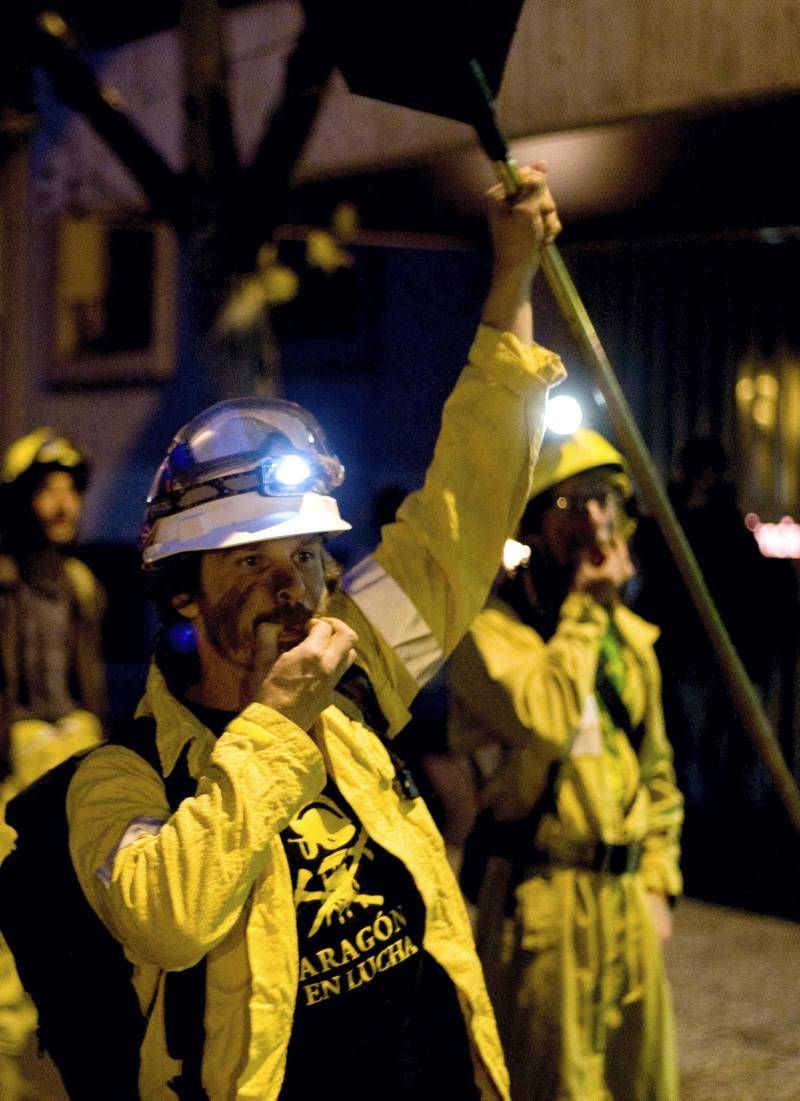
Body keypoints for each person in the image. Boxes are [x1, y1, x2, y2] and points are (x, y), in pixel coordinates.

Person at [65, 167, 565, 1099]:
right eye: (249, 561)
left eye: (302, 554)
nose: (288, 583)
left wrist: (511, 276)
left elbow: (464, 509)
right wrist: (278, 723)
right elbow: (168, 915)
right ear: (183, 593)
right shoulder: (121, 779)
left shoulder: (359, 673)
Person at [448, 427, 684, 1101]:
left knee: (644, 1084)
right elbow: (547, 717)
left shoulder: (628, 641)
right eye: (571, 503)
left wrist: (658, 884)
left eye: (603, 500)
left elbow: (657, 773)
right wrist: (583, 608)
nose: (592, 520)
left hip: (627, 899)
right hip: (541, 904)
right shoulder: (491, 633)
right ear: (534, 520)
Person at [0, 428, 108, 1098]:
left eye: (70, 488)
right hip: (14, 768)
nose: (62, 503)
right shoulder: (4, 582)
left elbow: (89, 678)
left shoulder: (80, 584)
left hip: (72, 758)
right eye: (47, 489)